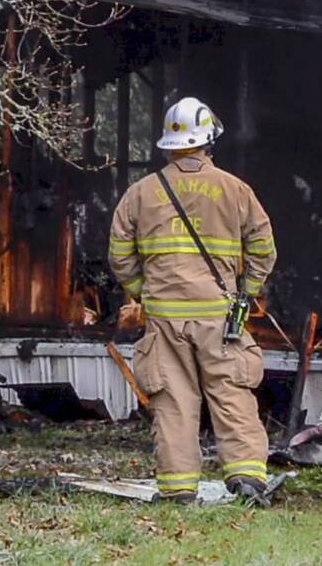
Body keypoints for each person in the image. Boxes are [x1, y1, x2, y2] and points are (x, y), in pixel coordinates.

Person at [109, 96, 277, 505]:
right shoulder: (235, 189)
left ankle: (179, 489)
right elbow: (263, 247)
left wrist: (143, 291)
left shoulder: (140, 193)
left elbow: (119, 254)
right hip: (220, 316)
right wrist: (247, 291)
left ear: (168, 143)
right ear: (208, 140)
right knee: (232, 394)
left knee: (173, 402)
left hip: (165, 319)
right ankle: (248, 480)